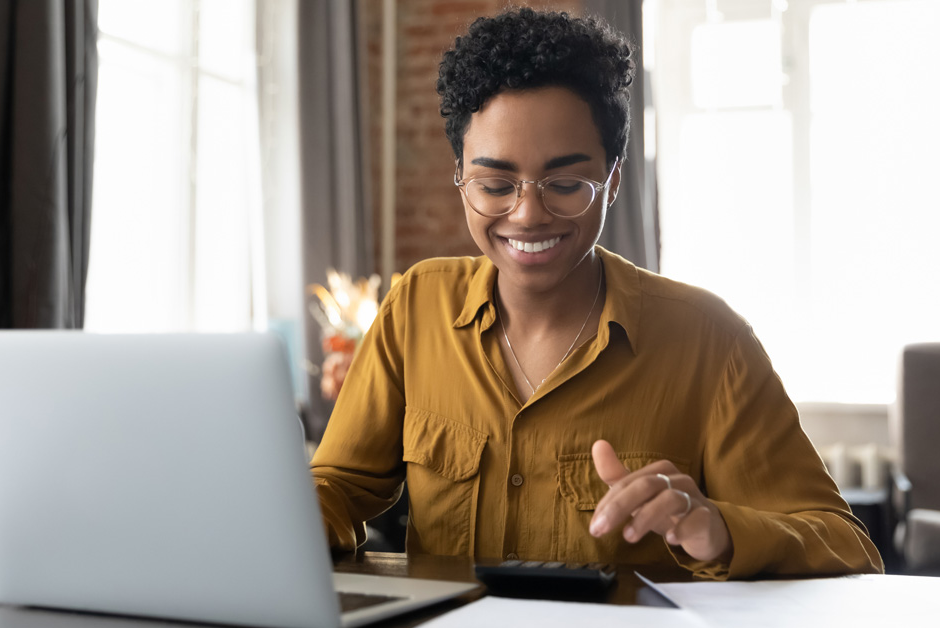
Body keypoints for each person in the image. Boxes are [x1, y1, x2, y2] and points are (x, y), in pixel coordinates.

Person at [310, 7, 882, 580]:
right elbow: (338, 486)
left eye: (565, 184)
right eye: (495, 185)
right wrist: (291, 513)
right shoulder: (416, 308)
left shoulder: (710, 341)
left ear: (612, 181)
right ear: (459, 177)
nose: (528, 214)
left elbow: (846, 546)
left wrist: (719, 529)